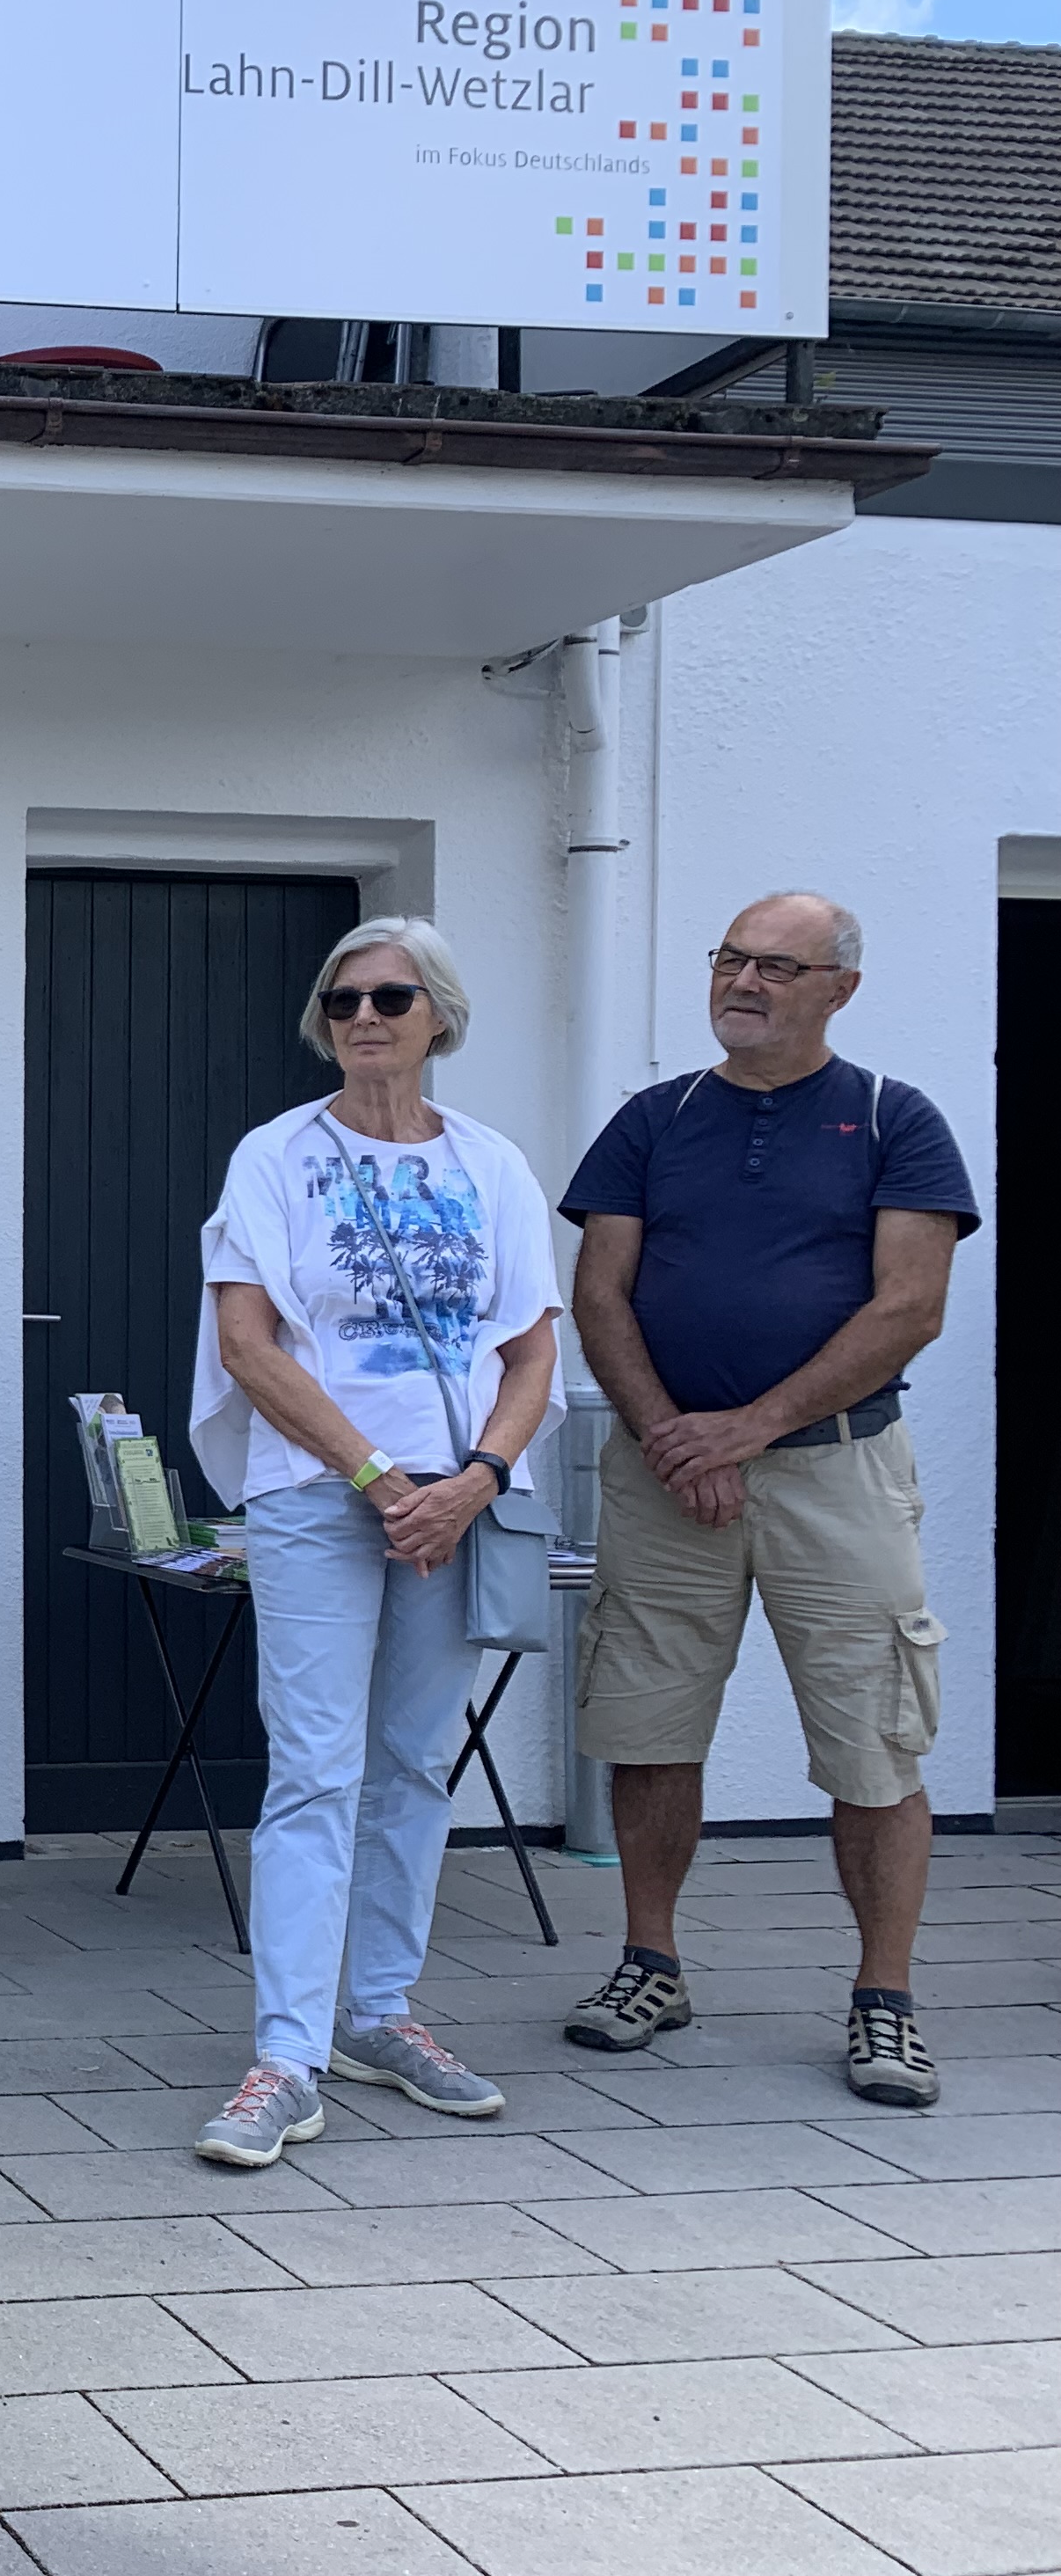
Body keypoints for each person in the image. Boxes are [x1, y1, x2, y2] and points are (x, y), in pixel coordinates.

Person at [560, 891, 978, 2107]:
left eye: (777, 967)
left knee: (874, 1739)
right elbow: (601, 1297)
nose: (745, 982)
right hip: (664, 1474)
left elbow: (911, 1307)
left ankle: (884, 2002)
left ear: (838, 987)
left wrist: (743, 1429)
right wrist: (669, 1440)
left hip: (837, 1473)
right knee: (647, 1727)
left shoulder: (895, 1120)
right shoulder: (652, 1121)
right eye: (732, 960)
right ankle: (650, 1963)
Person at [187, 918, 562, 2170]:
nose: (363, 1017)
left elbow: (530, 1351)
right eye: (342, 999)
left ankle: (378, 2014)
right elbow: (249, 1343)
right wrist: (379, 1477)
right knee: (314, 1769)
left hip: (455, 1502)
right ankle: (285, 2057)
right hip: (318, 1494)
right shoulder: (276, 1156)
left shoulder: (494, 1163)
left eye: (391, 998)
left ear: (437, 1016)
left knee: (413, 1765)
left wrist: (476, 1481)